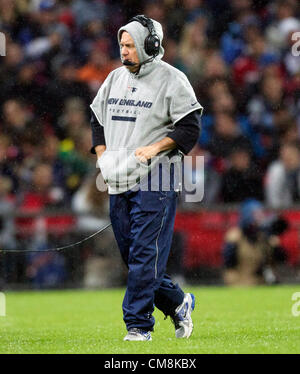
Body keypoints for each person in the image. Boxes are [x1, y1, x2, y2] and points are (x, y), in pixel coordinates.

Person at [89, 15, 203, 341]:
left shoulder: (174, 80)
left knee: (143, 255)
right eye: (121, 45)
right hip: (118, 177)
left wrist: (155, 148)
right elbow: (97, 118)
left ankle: (138, 327)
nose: (123, 51)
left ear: (150, 45)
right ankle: (178, 301)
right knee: (134, 256)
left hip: (158, 178)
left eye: (129, 45)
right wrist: (102, 156)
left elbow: (189, 127)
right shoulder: (114, 79)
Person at [222, 199, 288, 286]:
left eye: (260, 214)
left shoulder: (264, 236)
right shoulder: (235, 236)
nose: (259, 218)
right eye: (256, 214)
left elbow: (282, 258)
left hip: (260, 281)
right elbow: (229, 263)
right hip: (239, 282)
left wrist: (274, 243)